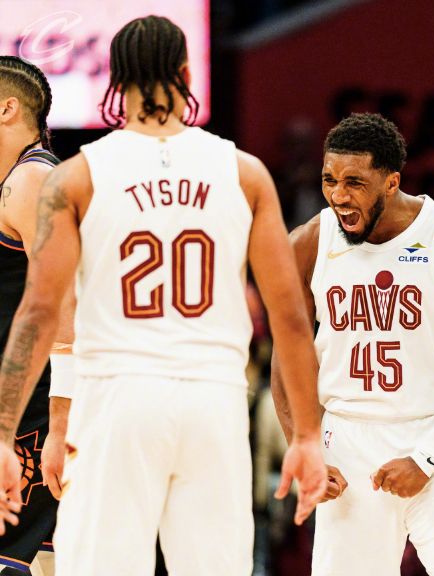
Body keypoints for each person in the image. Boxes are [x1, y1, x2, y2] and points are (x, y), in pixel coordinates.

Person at [0, 15, 326, 576]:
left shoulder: (78, 176)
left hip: (117, 399)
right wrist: (308, 434)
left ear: (114, 81)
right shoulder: (244, 172)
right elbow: (291, 318)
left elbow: (40, 313)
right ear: (186, 73)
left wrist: (7, 432)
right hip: (213, 400)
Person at [271, 112, 434, 575]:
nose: (339, 195)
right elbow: (287, 356)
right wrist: (305, 442)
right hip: (348, 441)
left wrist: (427, 457)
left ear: (392, 182)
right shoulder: (308, 244)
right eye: (330, 180)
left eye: (354, 182)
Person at [0, 55, 74, 576]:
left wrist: (61, 421)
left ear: (6, 108)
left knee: (30, 562)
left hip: (37, 411)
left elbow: (67, 304)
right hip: (23, 405)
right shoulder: (17, 180)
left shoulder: (32, 180)